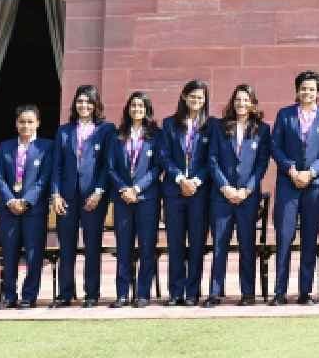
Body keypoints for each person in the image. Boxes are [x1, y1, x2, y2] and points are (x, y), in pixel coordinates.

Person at [271, 69, 319, 305]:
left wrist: (311, 173)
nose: (307, 92)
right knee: (285, 237)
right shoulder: (285, 115)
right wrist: (291, 169)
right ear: (297, 91)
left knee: (310, 238)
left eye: (311, 89)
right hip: (288, 184)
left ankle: (305, 292)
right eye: (303, 88)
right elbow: (275, 146)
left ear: (318, 92)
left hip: (316, 185)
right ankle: (279, 292)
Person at [206, 84, 271, 307]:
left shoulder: (262, 130)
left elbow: (261, 163)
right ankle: (215, 292)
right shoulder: (220, 127)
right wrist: (225, 188)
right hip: (222, 196)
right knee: (219, 245)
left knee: (247, 246)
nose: (241, 104)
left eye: (245, 100)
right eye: (237, 100)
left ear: (252, 103)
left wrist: (246, 190)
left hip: (247, 197)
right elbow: (212, 160)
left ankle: (248, 293)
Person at [50, 85, 114, 308]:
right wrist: (55, 194)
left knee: (92, 246)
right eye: (80, 101)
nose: (84, 106)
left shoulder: (106, 130)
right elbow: (56, 165)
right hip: (67, 196)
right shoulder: (64, 131)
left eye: (88, 102)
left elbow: (108, 165)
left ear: (96, 105)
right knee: (66, 246)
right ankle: (66, 293)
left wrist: (99, 191)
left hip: (93, 197)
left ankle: (91, 294)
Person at [160, 79, 215, 306]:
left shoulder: (211, 125)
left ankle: (192, 292)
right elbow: (163, 156)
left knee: (196, 245)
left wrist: (197, 180)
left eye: (200, 97)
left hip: (199, 194)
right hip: (174, 191)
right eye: (192, 96)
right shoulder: (169, 124)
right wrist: (181, 178)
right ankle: (175, 292)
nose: (196, 101)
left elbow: (212, 158)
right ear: (184, 97)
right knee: (175, 244)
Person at [0, 105, 54, 309]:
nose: (25, 125)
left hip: (34, 210)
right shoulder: (5, 146)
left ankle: (29, 295)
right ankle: (8, 295)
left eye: (30, 121)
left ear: (38, 123)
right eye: (22, 121)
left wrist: (27, 200)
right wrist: (10, 200)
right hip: (8, 210)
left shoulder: (47, 147)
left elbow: (44, 179)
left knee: (33, 255)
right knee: (9, 254)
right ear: (16, 123)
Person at [108, 92, 162, 308]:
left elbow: (158, 167)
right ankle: (122, 293)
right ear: (127, 109)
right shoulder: (117, 135)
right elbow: (110, 167)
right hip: (123, 199)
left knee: (147, 246)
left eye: (141, 106)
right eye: (133, 105)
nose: (137, 109)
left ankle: (142, 294)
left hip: (147, 197)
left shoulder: (155, 135)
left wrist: (137, 188)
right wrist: (124, 189)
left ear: (147, 109)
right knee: (123, 247)